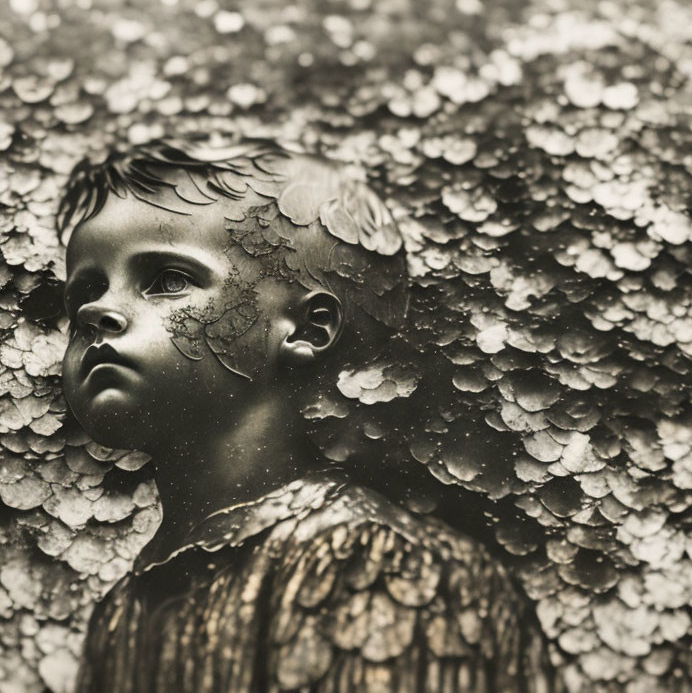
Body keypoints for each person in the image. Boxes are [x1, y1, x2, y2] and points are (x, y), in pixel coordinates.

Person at [58, 139, 556, 692]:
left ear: (308, 328)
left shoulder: (374, 563)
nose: (94, 311)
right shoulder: (125, 608)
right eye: (84, 290)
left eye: (168, 280)